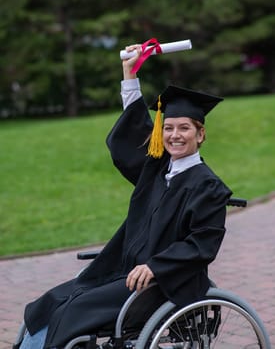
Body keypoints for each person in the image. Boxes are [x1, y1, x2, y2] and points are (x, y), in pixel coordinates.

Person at [18, 45, 232, 349]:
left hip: (163, 283)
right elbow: (134, 133)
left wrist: (156, 266)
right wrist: (129, 75)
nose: (174, 135)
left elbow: (201, 244)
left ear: (200, 134)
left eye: (184, 128)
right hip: (125, 272)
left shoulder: (208, 186)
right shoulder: (158, 170)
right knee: (54, 299)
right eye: (168, 127)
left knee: (73, 310)